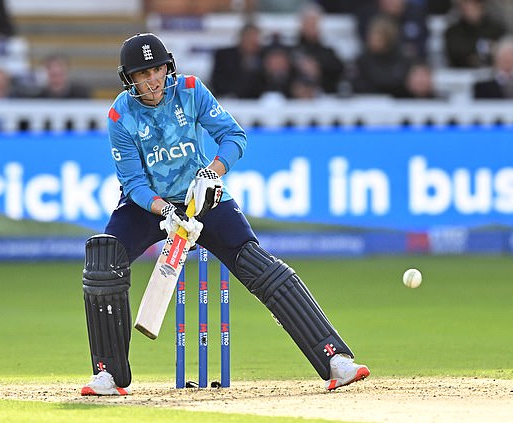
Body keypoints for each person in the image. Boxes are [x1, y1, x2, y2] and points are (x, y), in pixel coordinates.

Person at [79, 32, 370, 396]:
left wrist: (211, 173)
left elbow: (234, 136)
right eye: (142, 74)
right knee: (103, 260)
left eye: (157, 70)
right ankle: (108, 375)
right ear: (129, 79)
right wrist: (166, 211)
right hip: (149, 206)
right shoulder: (120, 114)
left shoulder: (189, 89)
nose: (152, 80)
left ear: (167, 67)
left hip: (202, 196)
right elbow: (134, 183)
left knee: (257, 263)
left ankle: (335, 360)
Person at [351, 15, 412, 97]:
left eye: (378, 38)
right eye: (371, 37)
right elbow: (356, 83)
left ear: (388, 38)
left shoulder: (403, 59)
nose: (373, 41)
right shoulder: (361, 61)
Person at [294, 4, 344, 94]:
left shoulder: (328, 52)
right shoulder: (292, 50)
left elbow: (339, 72)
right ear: (301, 25)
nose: (311, 27)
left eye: (314, 23)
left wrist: (318, 68)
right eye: (308, 23)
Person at [443, 0, 506, 68]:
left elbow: (504, 49)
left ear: (481, 6)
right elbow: (456, 53)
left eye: (474, 5)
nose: (469, 10)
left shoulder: (496, 28)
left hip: (492, 72)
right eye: (465, 7)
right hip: (462, 73)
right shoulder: (453, 31)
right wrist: (485, 47)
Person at [210, 22, 263, 98]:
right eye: (249, 38)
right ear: (241, 38)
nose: (252, 42)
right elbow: (217, 83)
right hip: (228, 100)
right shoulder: (224, 56)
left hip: (255, 102)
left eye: (255, 39)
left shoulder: (263, 57)